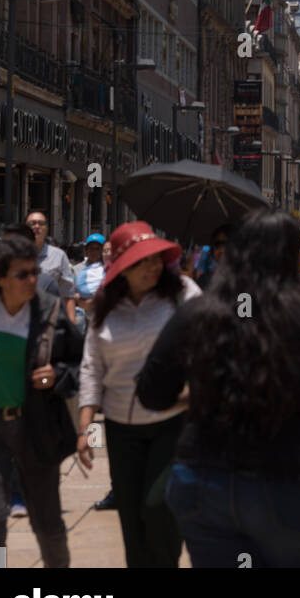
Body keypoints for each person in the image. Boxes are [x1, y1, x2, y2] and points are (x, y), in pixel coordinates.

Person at [137, 210, 300, 567]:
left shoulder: (200, 311)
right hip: (293, 482)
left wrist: (198, 394)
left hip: (206, 480)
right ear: (291, 255)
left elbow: (152, 392)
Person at [76, 221, 201, 568]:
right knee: (131, 520)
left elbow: (213, 339)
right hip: (121, 428)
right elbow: (91, 367)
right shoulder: (105, 306)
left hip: (172, 420)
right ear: (122, 268)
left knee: (158, 506)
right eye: (143, 260)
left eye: (156, 259)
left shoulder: (183, 293)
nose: (153, 266)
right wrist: (85, 428)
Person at [0, 234, 82, 567]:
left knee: (47, 521)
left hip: (36, 426)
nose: (33, 280)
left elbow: (80, 364)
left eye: (34, 271)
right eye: (22, 274)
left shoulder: (49, 312)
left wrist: (56, 375)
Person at [25, 211, 76, 322]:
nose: (36, 226)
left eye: (41, 223)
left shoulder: (59, 256)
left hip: (50, 320)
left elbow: (67, 294)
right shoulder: (15, 255)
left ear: (47, 229)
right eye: (32, 223)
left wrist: (72, 327)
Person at [196, 224, 234, 292]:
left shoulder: (248, 281)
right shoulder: (204, 280)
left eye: (227, 244)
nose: (222, 250)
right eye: (218, 244)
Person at [75, 234, 107, 312]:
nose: (94, 252)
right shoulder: (77, 269)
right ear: (86, 250)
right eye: (91, 249)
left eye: (97, 249)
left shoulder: (108, 268)